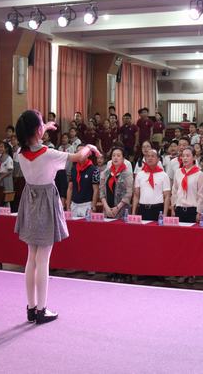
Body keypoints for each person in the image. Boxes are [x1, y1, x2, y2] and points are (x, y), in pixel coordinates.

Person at [14, 109, 100, 325]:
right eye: (41, 124)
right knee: (43, 259)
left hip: (30, 199)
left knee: (31, 257)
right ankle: (42, 310)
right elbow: (79, 157)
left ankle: (31, 308)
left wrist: (44, 127)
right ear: (37, 130)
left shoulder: (20, 152)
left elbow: (32, 141)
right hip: (45, 199)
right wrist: (90, 146)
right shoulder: (48, 153)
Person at [132, 149, 170, 221]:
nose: (150, 158)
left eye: (153, 156)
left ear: (158, 159)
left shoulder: (164, 175)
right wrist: (133, 212)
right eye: (148, 156)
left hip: (158, 209)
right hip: (142, 209)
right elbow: (136, 195)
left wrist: (165, 214)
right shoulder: (140, 174)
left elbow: (167, 196)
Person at [169, 146, 203, 223]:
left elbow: (201, 195)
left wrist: (199, 212)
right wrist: (173, 208)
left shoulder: (199, 174)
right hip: (179, 208)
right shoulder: (178, 172)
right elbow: (174, 191)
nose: (185, 158)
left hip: (193, 209)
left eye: (188, 156)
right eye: (183, 156)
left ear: (194, 157)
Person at [66, 144, 100, 218]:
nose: (80, 154)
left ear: (88, 154)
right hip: (74, 204)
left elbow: (96, 190)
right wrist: (68, 206)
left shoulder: (94, 170)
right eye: (78, 152)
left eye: (82, 152)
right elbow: (70, 188)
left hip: (87, 205)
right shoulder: (73, 168)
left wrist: (93, 207)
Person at [100, 146, 134, 219]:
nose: (115, 158)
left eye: (118, 156)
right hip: (107, 210)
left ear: (123, 158)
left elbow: (128, 193)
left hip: (122, 211)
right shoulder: (105, 173)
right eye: (113, 155)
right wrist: (106, 207)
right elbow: (102, 192)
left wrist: (117, 208)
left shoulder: (127, 174)